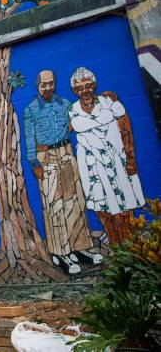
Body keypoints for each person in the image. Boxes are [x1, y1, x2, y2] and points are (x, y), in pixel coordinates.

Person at [23, 70, 99, 274]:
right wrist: (34, 164)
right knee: (54, 205)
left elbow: (83, 114)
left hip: (66, 152)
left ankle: (81, 247)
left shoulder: (65, 104)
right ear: (38, 86)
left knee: (75, 200)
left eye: (51, 84)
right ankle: (60, 253)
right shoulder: (30, 110)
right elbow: (29, 139)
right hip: (45, 158)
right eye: (44, 84)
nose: (48, 88)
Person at [69, 67, 145, 244]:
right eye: (79, 88)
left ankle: (130, 243)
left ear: (94, 85)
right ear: (74, 90)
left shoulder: (110, 103)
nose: (84, 90)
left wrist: (131, 159)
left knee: (125, 201)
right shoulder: (72, 110)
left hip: (116, 160)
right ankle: (115, 243)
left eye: (88, 85)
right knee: (101, 206)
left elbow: (126, 131)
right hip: (91, 165)